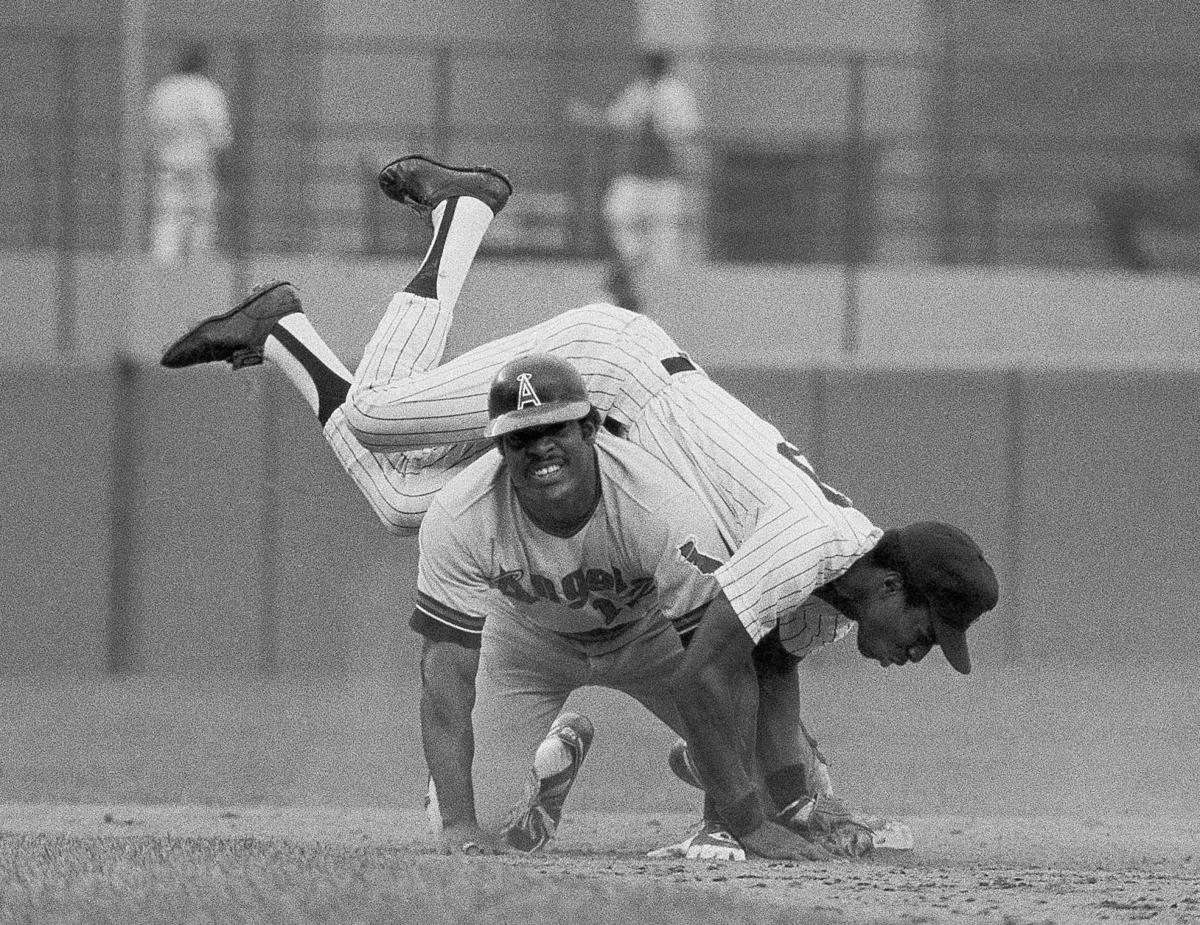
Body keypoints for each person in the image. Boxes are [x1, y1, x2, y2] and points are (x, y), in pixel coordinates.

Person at [160, 155, 998, 860]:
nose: (919, 653)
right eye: (927, 633)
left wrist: (807, 809)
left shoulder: (830, 601)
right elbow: (710, 666)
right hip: (605, 371)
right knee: (377, 418)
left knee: (401, 496)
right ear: (893, 587)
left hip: (635, 428)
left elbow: (770, 682)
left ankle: (285, 335)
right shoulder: (813, 543)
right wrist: (744, 821)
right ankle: (459, 218)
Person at [569, 47, 702, 311]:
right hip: (635, 174)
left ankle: (665, 300)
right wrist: (589, 116)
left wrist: (663, 124)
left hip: (665, 179)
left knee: (665, 238)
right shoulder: (638, 91)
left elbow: (689, 129)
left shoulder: (677, 93)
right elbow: (616, 120)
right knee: (615, 214)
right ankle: (632, 259)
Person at [146, 42, 233, 263]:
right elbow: (218, 131)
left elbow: (152, 126)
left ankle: (163, 261)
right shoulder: (207, 90)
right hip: (199, 160)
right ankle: (197, 260)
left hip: (168, 159)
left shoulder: (164, 89)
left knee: (168, 211)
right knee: (201, 213)